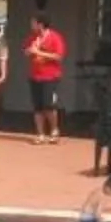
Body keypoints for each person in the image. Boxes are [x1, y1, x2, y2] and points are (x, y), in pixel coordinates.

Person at [23, 13, 66, 142]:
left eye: (33, 23)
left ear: (40, 24)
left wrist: (40, 52)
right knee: (37, 106)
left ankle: (54, 129)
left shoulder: (55, 37)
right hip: (35, 75)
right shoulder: (32, 37)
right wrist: (30, 50)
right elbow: (26, 51)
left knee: (48, 104)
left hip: (50, 76)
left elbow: (59, 56)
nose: (32, 26)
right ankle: (40, 134)